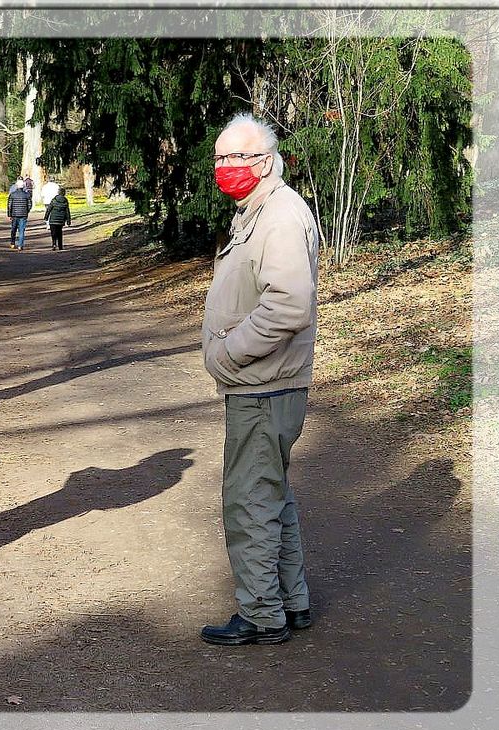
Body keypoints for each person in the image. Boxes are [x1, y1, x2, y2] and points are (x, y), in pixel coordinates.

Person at [199, 113, 319, 646]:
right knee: (272, 497)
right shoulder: (259, 211)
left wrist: (229, 353)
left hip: (264, 385)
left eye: (237, 157)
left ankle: (261, 614)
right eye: (220, 158)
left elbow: (289, 304)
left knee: (249, 500)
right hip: (264, 384)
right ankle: (290, 603)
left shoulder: (279, 218)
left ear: (265, 161)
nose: (226, 168)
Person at [43, 186, 71, 251]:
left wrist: (46, 217)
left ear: (58, 192)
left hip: (53, 219)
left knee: (53, 233)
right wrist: (68, 221)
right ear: (64, 193)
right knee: (59, 232)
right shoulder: (65, 201)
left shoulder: (54, 200)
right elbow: (67, 212)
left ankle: (54, 244)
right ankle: (60, 246)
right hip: (61, 220)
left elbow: (49, 209)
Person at [7, 178, 32, 251]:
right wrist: (27, 211)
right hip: (23, 215)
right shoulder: (27, 195)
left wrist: (9, 214)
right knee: (21, 230)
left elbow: (9, 205)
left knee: (13, 229)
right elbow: (30, 205)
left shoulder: (12, 195)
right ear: (23, 186)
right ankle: (20, 245)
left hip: (14, 214)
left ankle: (12, 243)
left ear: (17, 186)